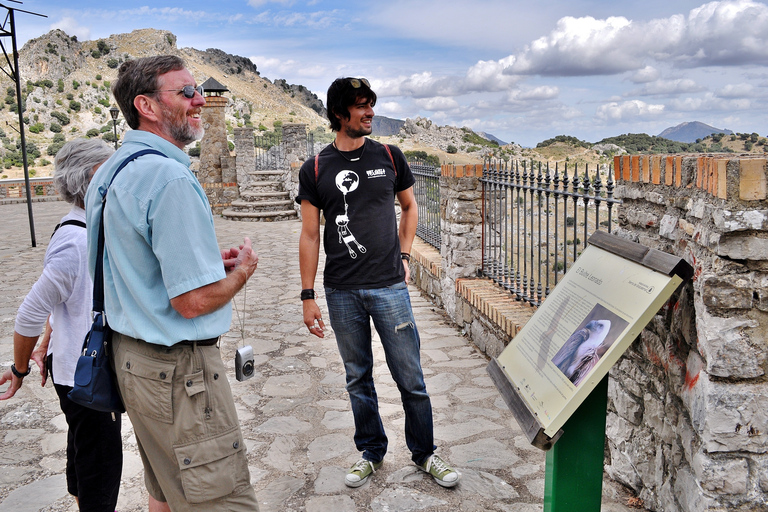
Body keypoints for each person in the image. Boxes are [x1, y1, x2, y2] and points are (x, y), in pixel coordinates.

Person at [84, 55, 259, 512]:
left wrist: (202, 264)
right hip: (180, 374)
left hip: (133, 363)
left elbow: (131, 266)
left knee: (164, 487)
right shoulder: (169, 178)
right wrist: (241, 273)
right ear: (146, 105)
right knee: (219, 499)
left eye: (199, 90)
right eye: (185, 92)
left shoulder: (111, 171)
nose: (200, 99)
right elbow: (193, 301)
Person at [297, 77, 460, 489]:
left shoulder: (390, 155)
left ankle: (425, 453)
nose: (370, 112)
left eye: (372, 104)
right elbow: (310, 234)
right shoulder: (315, 168)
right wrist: (307, 295)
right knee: (358, 377)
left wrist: (404, 256)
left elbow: (409, 207)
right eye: (361, 106)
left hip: (390, 287)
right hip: (341, 291)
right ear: (339, 114)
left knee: (411, 376)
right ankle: (371, 452)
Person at [0, 138, 122, 511]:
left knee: (83, 454)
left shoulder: (87, 227)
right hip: (86, 375)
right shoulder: (75, 241)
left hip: (73, 364)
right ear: (92, 176)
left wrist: (46, 342)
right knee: (100, 469)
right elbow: (30, 312)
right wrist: (18, 369)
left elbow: (65, 302)